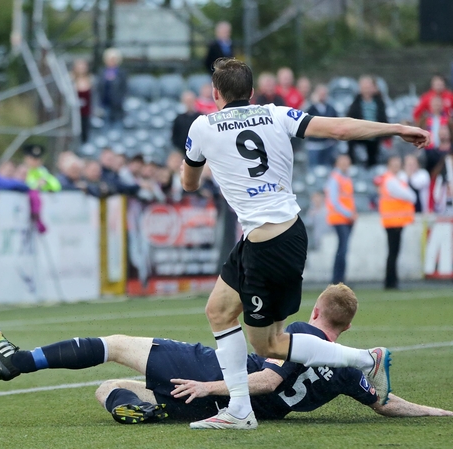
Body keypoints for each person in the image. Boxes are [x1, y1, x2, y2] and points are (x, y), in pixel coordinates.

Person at [180, 57, 430, 429]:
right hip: (278, 235)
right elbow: (341, 129)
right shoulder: (276, 113)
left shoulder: (202, 126)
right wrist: (396, 127)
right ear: (251, 93)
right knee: (218, 311)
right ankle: (239, 410)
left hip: (268, 246)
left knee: (270, 345)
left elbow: (189, 184)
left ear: (214, 94)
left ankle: (366, 359)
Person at [0, 284, 452, 424]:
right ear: (347, 328)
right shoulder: (349, 370)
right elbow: (387, 404)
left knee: (114, 347)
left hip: (217, 379)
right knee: (108, 389)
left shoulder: (300, 333)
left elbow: (269, 379)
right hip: (235, 404)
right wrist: (440, 412)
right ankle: (152, 411)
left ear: (316, 311)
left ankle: (20, 361)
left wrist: (210, 384)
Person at [378, 155, 416, 290]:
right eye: (394, 164)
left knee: (393, 252)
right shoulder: (391, 180)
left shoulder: (394, 179)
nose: (397, 166)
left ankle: (392, 281)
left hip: (395, 221)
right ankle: (390, 282)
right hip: (393, 222)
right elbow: (410, 196)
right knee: (393, 252)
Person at [325, 154, 356, 284]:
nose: (345, 164)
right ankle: (338, 279)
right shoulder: (335, 178)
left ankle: (339, 279)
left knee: (343, 248)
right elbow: (334, 202)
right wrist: (349, 213)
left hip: (346, 219)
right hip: (339, 218)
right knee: (342, 249)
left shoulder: (345, 177)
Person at [346, 75, 388, 168]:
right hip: (359, 135)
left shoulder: (379, 102)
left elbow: (383, 118)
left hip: (374, 135)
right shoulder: (356, 102)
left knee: (373, 158)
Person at [305, 84, 339, 167]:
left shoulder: (330, 108)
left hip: (327, 144)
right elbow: (302, 116)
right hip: (314, 145)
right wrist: (312, 103)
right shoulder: (310, 107)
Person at [97, 48, 127, 128]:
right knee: (105, 126)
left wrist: (120, 101)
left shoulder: (121, 73)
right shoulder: (102, 72)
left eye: (114, 59)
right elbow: (99, 88)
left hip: (117, 106)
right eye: (110, 59)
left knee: (118, 126)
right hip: (105, 104)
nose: (111, 61)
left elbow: (124, 89)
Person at [71, 59, 92, 143]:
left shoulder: (90, 79)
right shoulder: (71, 79)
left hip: (86, 112)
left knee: (85, 132)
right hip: (74, 113)